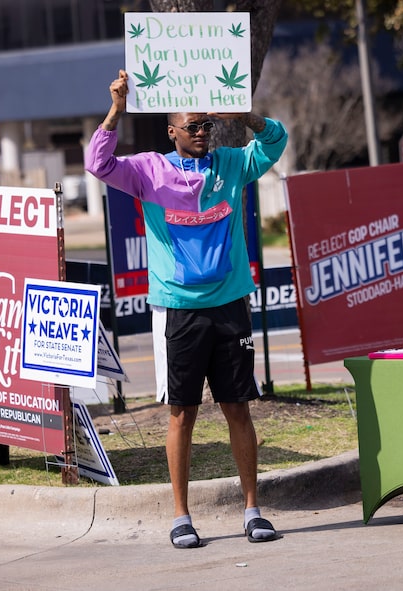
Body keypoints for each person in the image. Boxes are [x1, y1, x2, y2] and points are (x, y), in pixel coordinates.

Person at [85, 69, 288, 548]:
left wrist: (247, 117)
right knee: (182, 414)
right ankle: (180, 516)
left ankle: (253, 510)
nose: (202, 133)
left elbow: (275, 143)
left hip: (230, 304)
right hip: (179, 309)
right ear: (171, 131)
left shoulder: (233, 165)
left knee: (238, 408)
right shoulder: (149, 171)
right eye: (192, 126)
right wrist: (117, 107)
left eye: (207, 126)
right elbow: (97, 161)